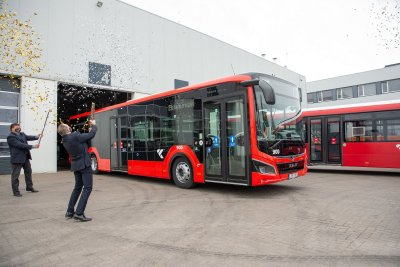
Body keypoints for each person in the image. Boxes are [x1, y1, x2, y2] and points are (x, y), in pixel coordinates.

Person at [57, 120, 97, 222]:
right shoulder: (75, 136)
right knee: (87, 188)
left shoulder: (64, 140)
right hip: (84, 165)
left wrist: (88, 132)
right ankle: (79, 213)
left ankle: (70, 211)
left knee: (77, 188)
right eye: (68, 126)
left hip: (76, 165)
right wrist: (94, 125)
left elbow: (85, 138)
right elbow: (92, 134)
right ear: (68, 129)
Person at [7, 123, 41, 197]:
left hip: (25, 157)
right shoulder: (10, 137)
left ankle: (29, 187)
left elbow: (28, 137)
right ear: (12, 129)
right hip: (17, 159)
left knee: (28, 172)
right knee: (15, 175)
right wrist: (33, 146)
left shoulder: (22, 134)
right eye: (16, 128)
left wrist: (37, 136)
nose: (18, 129)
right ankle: (16, 192)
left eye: (19, 128)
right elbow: (20, 145)